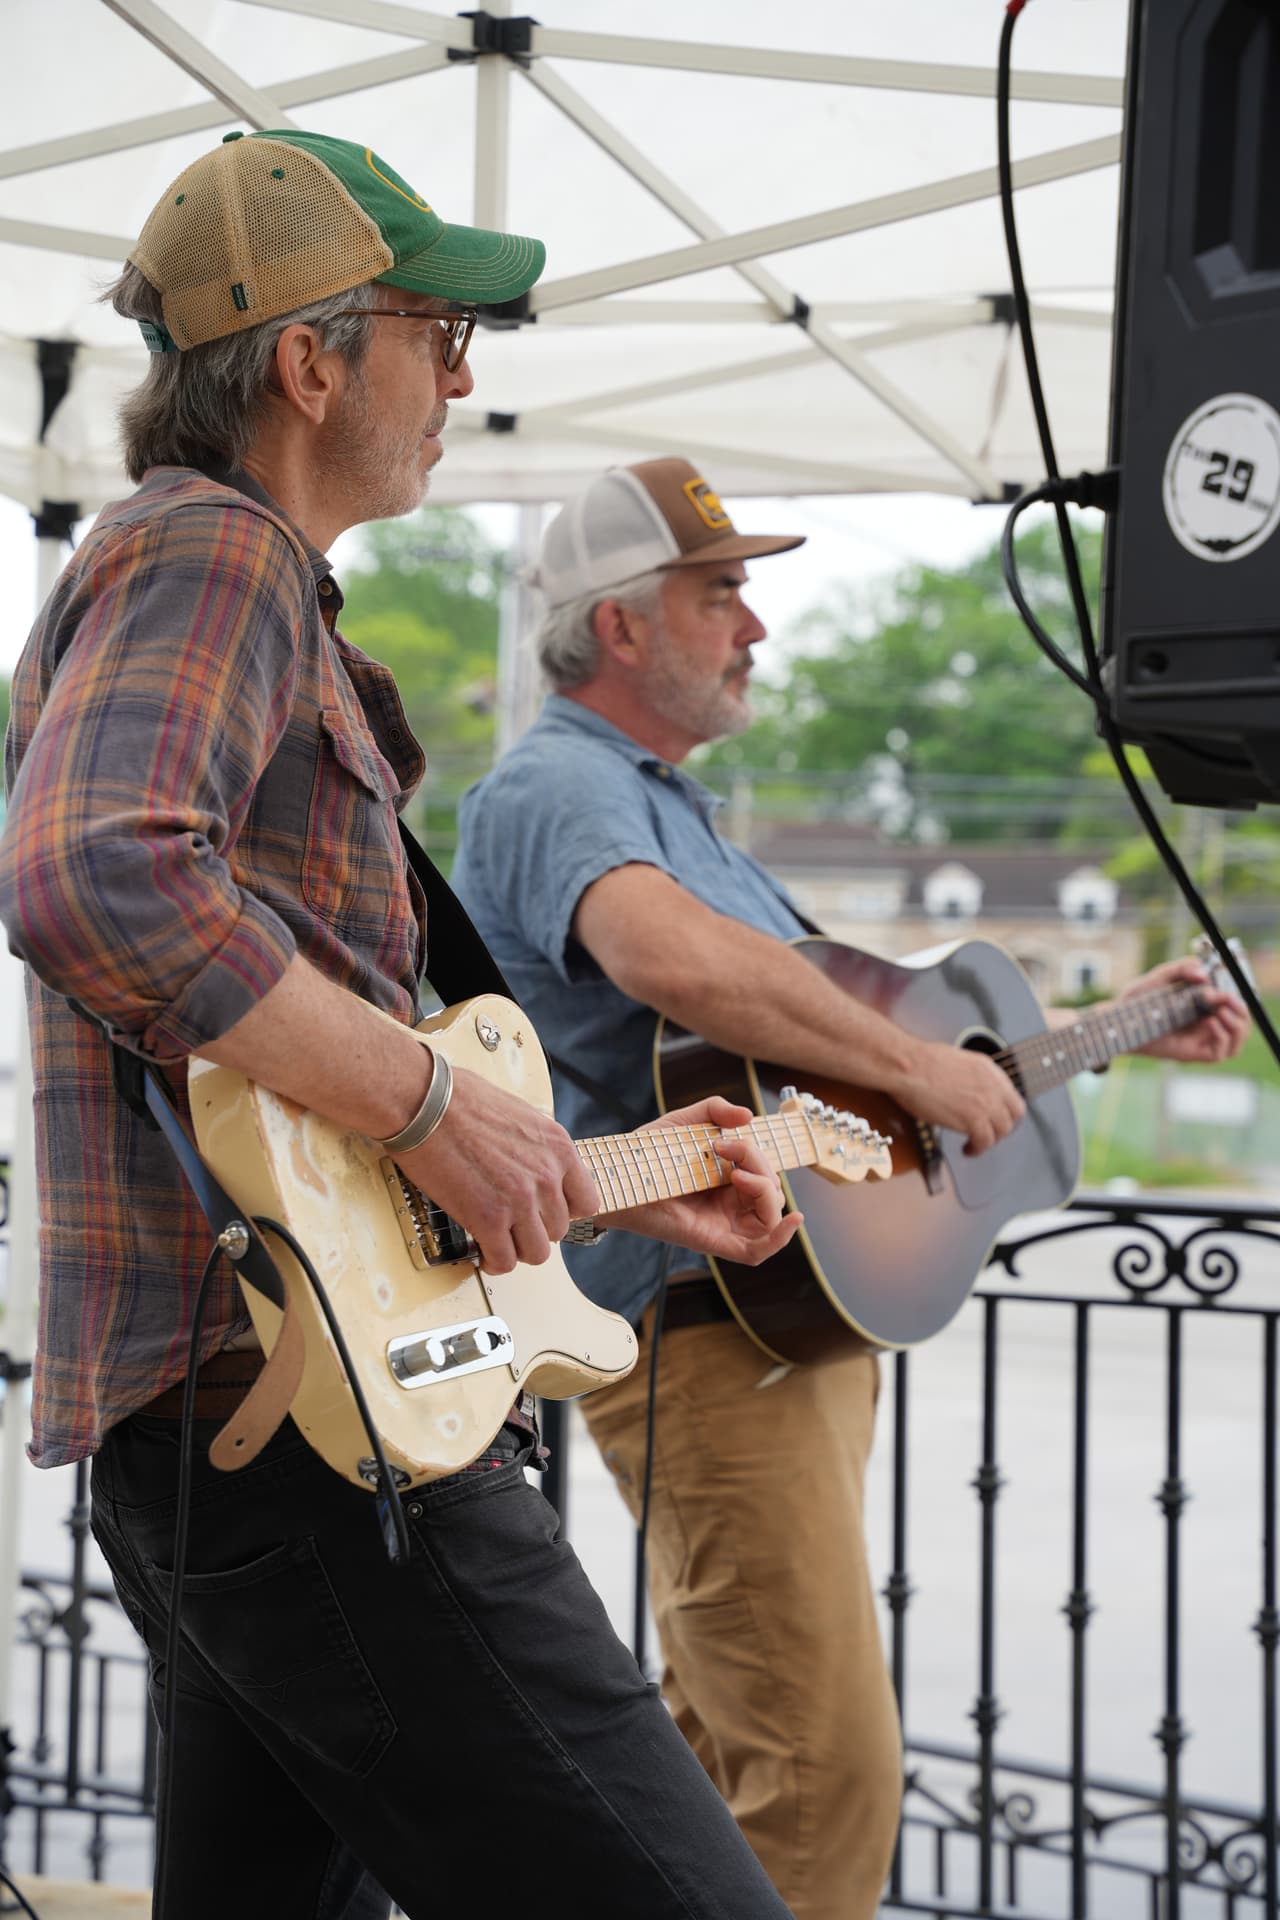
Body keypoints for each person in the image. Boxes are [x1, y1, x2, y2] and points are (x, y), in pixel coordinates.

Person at [0, 139, 806, 1920]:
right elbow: (92, 872)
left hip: (250, 1423)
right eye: (439, 336)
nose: (461, 380)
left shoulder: (209, 572)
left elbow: (318, 1131)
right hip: (312, 1435)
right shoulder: (216, 551)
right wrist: (438, 1104)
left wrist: (587, 1177)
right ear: (308, 361)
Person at [449, 456, 1251, 1920]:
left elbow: (878, 1048)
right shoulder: (555, 784)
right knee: (824, 1777)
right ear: (619, 626)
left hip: (772, 1319)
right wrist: (924, 1068)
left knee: (725, 1759)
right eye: (722, 593)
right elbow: (676, 965)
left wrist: (1124, 1020)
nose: (755, 627)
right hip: (705, 1318)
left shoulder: (674, 810)